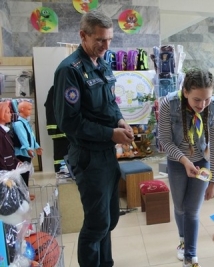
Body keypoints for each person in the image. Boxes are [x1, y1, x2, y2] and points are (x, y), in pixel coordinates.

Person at [53, 10, 133, 267]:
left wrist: (120, 121)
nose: (106, 46)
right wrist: (111, 134)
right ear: (83, 36)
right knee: (97, 223)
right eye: (100, 40)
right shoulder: (69, 70)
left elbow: (111, 103)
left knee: (109, 219)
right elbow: (70, 123)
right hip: (88, 157)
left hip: (107, 155)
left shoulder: (102, 63)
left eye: (109, 39)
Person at [158, 68, 214, 267]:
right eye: (197, 100)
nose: (202, 105)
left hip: (202, 162)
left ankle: (190, 257)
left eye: (207, 99)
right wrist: (185, 161)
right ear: (185, 92)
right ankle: (183, 240)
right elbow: (165, 142)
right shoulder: (169, 103)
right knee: (179, 207)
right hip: (177, 163)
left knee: (192, 210)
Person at [12, 101, 42, 186]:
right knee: (22, 176)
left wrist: (36, 146)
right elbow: (23, 137)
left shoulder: (26, 123)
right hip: (22, 154)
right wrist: (28, 148)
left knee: (26, 174)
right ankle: (23, 195)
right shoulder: (18, 124)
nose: (30, 111)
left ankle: (25, 193)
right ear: (22, 109)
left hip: (27, 153)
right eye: (29, 109)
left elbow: (31, 136)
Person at [0, 102, 20, 171]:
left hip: (10, 168)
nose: (11, 115)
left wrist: (16, 161)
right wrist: (4, 175)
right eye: (8, 112)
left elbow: (9, 152)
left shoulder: (5, 131)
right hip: (5, 171)